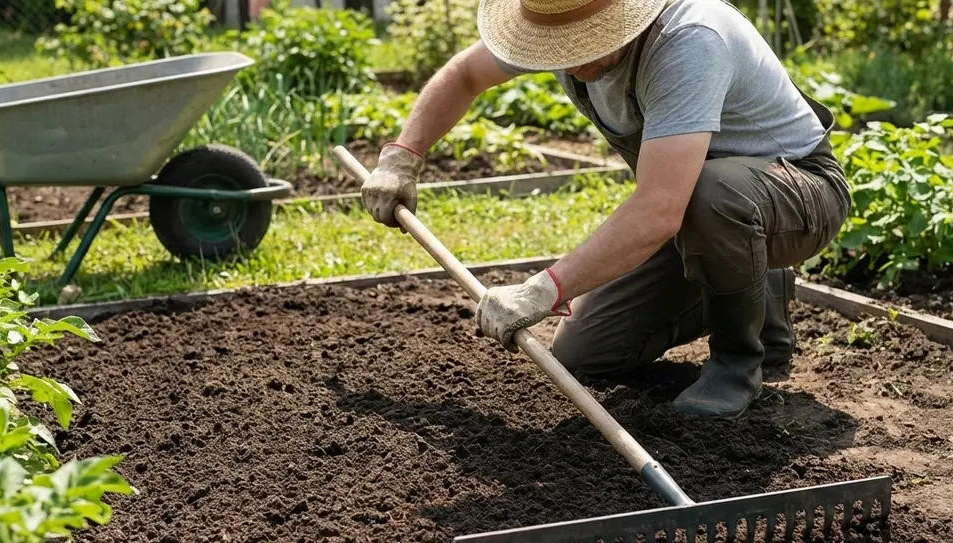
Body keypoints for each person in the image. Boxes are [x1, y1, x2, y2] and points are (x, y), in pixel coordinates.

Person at [361, 0, 851, 419]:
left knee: (712, 192)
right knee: (585, 353)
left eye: (583, 44)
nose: (569, 63)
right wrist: (401, 158)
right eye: (560, 48)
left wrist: (542, 290)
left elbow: (659, 209)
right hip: (697, 211)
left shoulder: (689, 40)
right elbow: (466, 73)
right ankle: (755, 287)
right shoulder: (558, 26)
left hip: (797, 192)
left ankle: (737, 364)